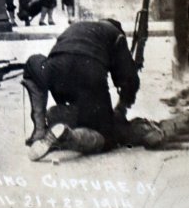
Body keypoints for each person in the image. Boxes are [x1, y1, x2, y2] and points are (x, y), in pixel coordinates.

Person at [22, 19, 140, 160]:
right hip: (89, 75)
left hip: (55, 70)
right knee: (107, 136)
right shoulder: (116, 35)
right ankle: (69, 137)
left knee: (31, 66)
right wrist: (121, 108)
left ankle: (40, 129)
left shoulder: (77, 26)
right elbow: (129, 78)